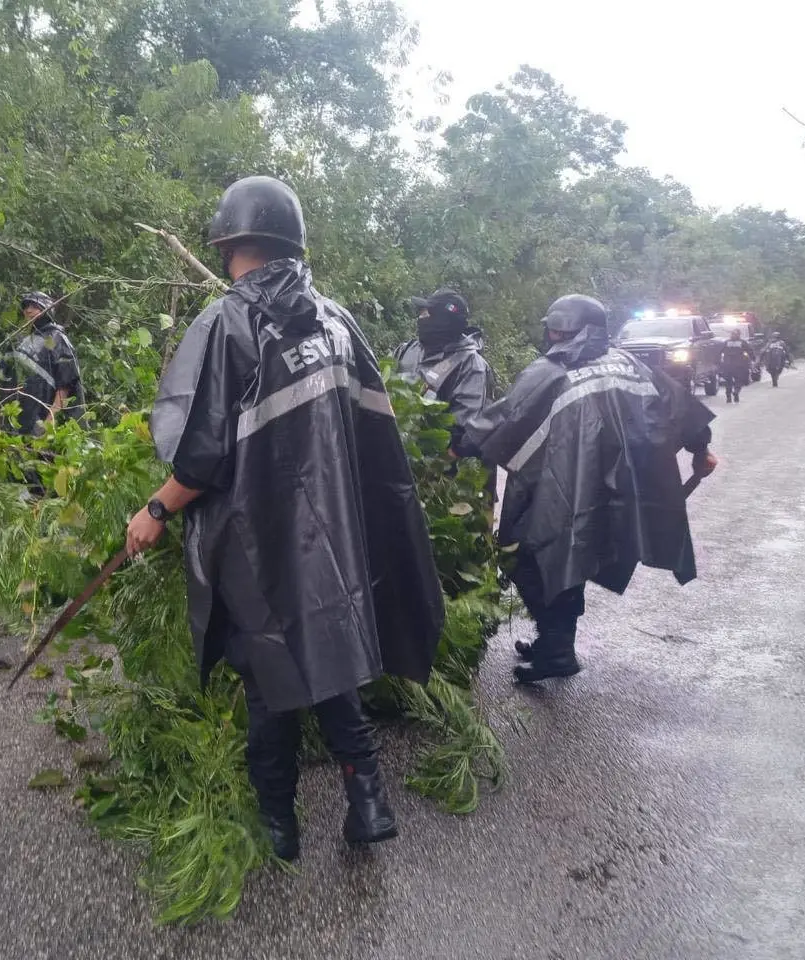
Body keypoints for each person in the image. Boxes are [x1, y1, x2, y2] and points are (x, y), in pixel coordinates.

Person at [124, 176, 444, 860]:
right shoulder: (337, 319)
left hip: (256, 543)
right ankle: (368, 801)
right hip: (333, 538)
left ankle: (279, 825)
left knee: (270, 678)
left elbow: (201, 450)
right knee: (327, 658)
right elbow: (373, 437)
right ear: (290, 242)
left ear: (232, 243)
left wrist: (155, 509)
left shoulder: (226, 322)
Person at [456, 294, 717, 684]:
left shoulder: (548, 372)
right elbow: (676, 408)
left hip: (567, 489)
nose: (552, 335)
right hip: (618, 491)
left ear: (566, 331)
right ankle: (555, 642)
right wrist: (702, 449)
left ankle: (558, 648)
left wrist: (453, 449)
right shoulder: (632, 365)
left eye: (556, 329)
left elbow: (504, 420)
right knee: (568, 558)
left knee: (531, 555)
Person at [0, 291, 84, 496]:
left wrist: (51, 417)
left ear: (47, 309)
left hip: (44, 417)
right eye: (26, 306)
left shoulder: (55, 338)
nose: (28, 310)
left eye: (35, 305)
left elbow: (67, 383)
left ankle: (44, 516)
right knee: (19, 470)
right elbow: (7, 382)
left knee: (44, 469)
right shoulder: (22, 342)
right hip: (20, 419)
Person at [394, 288, 496, 458]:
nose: (420, 318)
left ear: (443, 320)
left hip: (434, 468)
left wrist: (435, 464)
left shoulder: (471, 366)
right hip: (394, 454)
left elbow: (465, 430)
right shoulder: (406, 350)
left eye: (426, 314)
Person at [718, 328, 754, 403]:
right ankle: (736, 392)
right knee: (739, 380)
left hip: (727, 365)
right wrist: (753, 359)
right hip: (739, 366)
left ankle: (728, 398)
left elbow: (719, 352)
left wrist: (718, 362)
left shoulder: (726, 342)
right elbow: (750, 351)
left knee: (728, 382)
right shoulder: (743, 342)